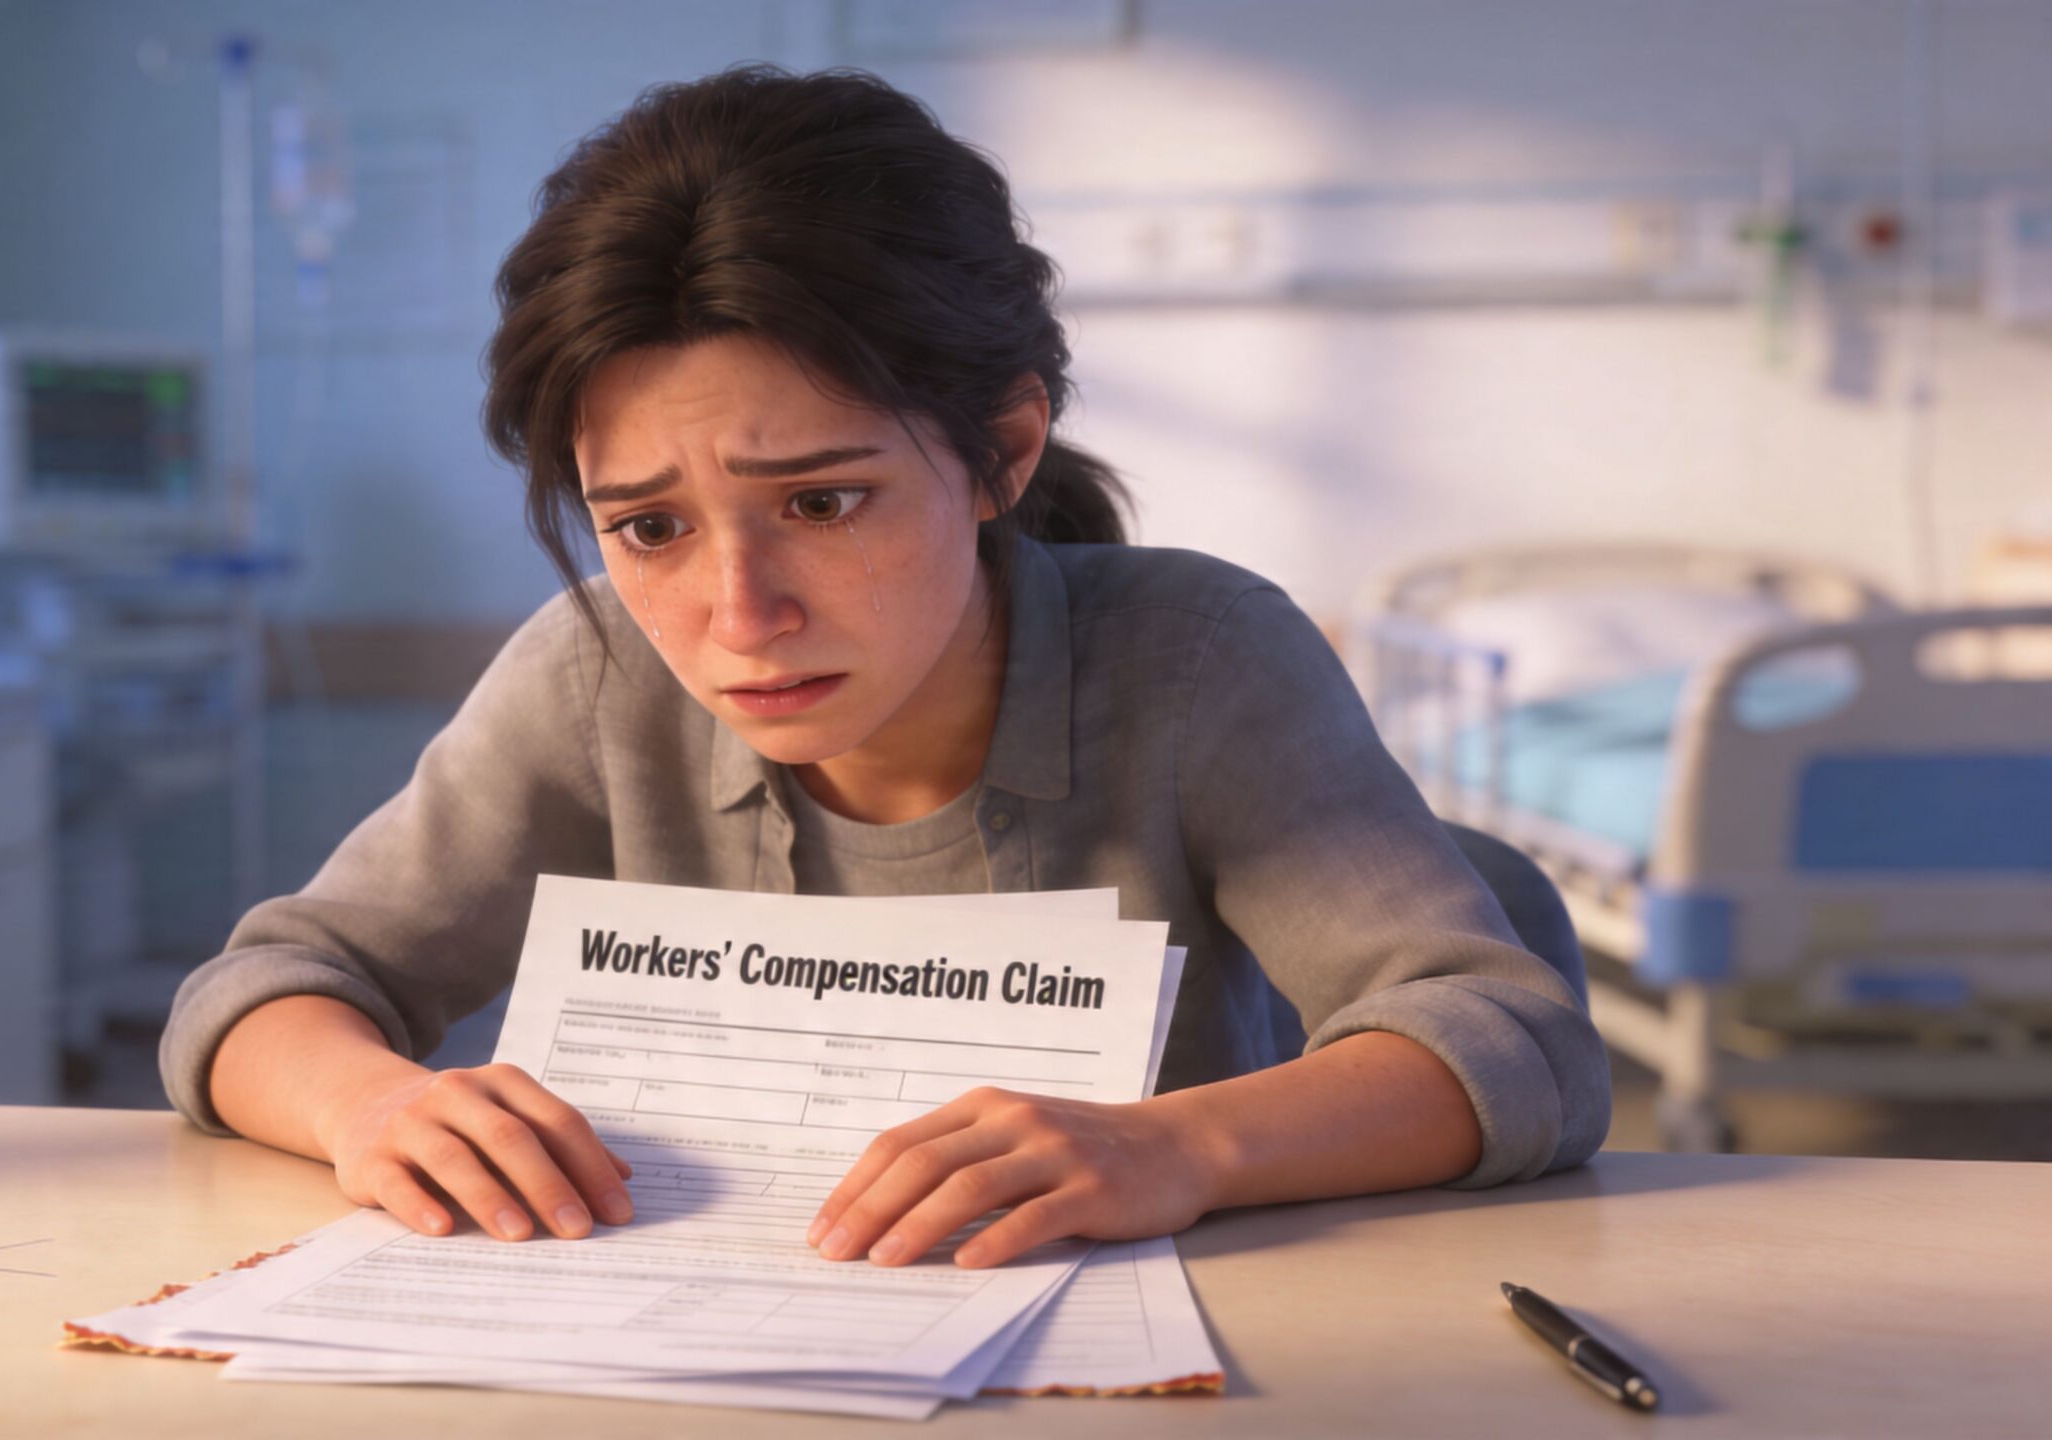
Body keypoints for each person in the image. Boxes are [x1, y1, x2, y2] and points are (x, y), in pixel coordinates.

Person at [163, 65, 1608, 1271]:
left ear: (1003, 450)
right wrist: (367, 1106)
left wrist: (1179, 1145)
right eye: (648, 527)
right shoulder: (599, 672)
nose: (740, 615)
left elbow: (1509, 1039)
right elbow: (274, 986)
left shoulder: (1197, 662)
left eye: (822, 503)